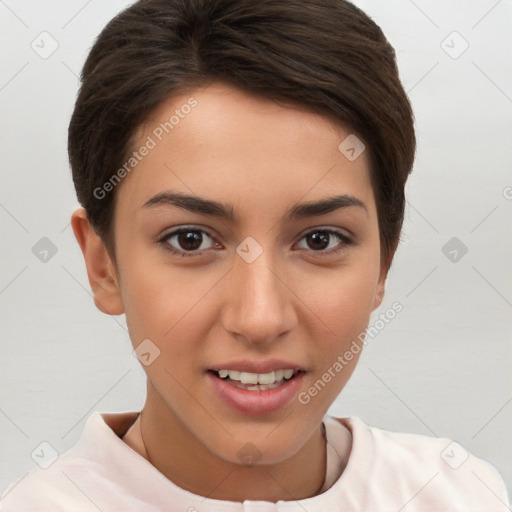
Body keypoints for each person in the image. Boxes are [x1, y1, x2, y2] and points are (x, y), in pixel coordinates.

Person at [1, 0, 509, 509]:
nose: (260, 318)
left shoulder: (458, 494)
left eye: (319, 240)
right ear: (102, 264)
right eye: (190, 240)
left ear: (383, 263)